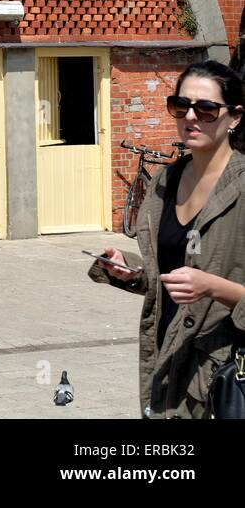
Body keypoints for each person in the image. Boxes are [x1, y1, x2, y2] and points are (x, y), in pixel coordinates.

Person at [89, 60, 245, 417]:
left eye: (206, 109)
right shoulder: (166, 181)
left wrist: (214, 287)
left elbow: (204, 279)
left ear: (234, 117)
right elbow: (177, 270)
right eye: (181, 105)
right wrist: (132, 270)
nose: (191, 117)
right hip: (166, 361)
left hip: (222, 376)